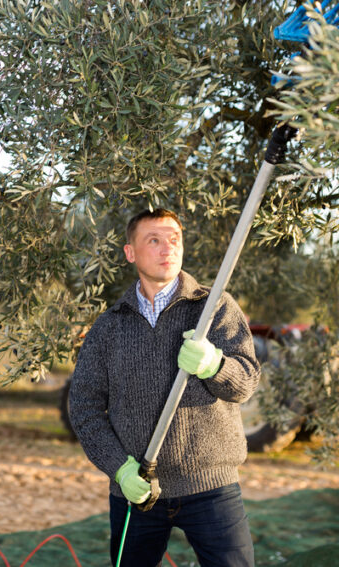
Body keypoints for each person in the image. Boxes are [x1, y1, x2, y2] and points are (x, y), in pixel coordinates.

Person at [68, 208, 261, 567]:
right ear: (131, 253)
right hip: (136, 491)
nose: (166, 248)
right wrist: (119, 470)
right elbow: (84, 407)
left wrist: (214, 365)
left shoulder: (214, 307)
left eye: (174, 239)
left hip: (211, 486)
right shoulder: (109, 327)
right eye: (153, 240)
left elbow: (246, 380)